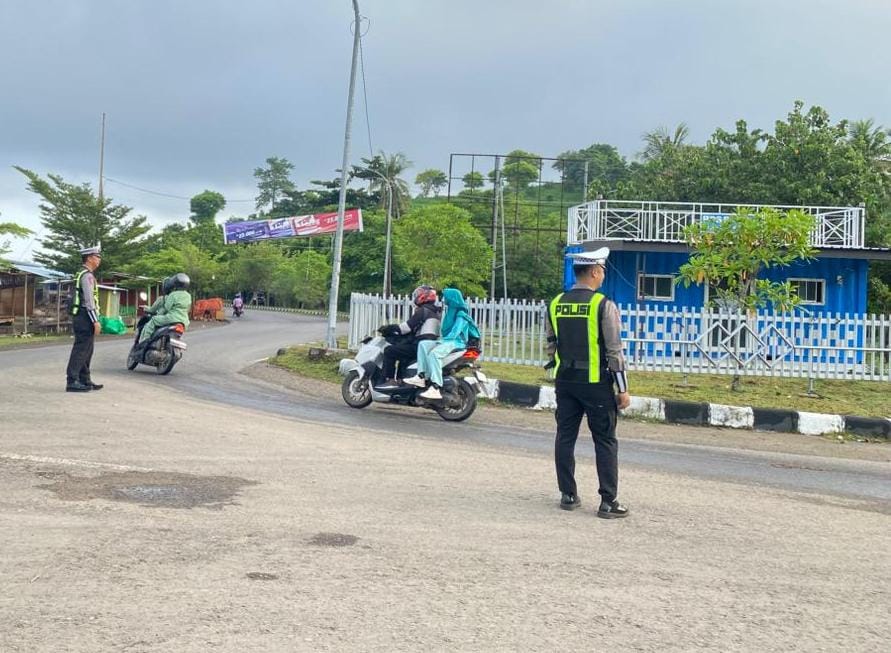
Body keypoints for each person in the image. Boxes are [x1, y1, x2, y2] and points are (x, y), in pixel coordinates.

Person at [545, 247, 631, 519]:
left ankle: (568, 495)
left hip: (565, 381)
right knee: (605, 440)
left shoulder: (556, 303)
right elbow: (614, 351)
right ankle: (608, 501)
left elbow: (550, 344)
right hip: (595, 383)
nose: (603, 274)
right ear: (594, 271)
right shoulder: (603, 305)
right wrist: (623, 389)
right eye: (602, 270)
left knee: (565, 436)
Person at [403, 287, 480, 400]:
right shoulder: (450, 312)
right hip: (447, 340)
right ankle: (421, 376)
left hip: (456, 342)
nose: (444, 299)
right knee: (423, 344)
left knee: (434, 354)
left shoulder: (461, 313)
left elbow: (456, 332)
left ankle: (436, 387)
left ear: (452, 299)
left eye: (446, 297)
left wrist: (442, 342)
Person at [379, 285, 441, 385]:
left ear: (423, 296)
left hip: (420, 346)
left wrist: (389, 328)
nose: (416, 296)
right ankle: (401, 380)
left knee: (389, 351)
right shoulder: (436, 312)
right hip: (429, 346)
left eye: (418, 294)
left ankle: (389, 380)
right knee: (403, 351)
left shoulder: (423, 311)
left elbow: (406, 328)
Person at [65, 244, 103, 392]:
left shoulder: (82, 274)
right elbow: (89, 300)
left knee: (88, 349)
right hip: (84, 316)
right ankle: (72, 381)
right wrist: (95, 320)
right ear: (89, 258)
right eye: (97, 257)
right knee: (81, 350)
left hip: (82, 316)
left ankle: (85, 379)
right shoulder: (87, 276)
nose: (99, 260)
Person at [139, 273, 192, 344]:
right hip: (184, 321)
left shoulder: (172, 295)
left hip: (172, 318)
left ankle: (143, 342)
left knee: (154, 320)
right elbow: (188, 308)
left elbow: (166, 308)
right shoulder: (188, 295)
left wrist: (158, 314)